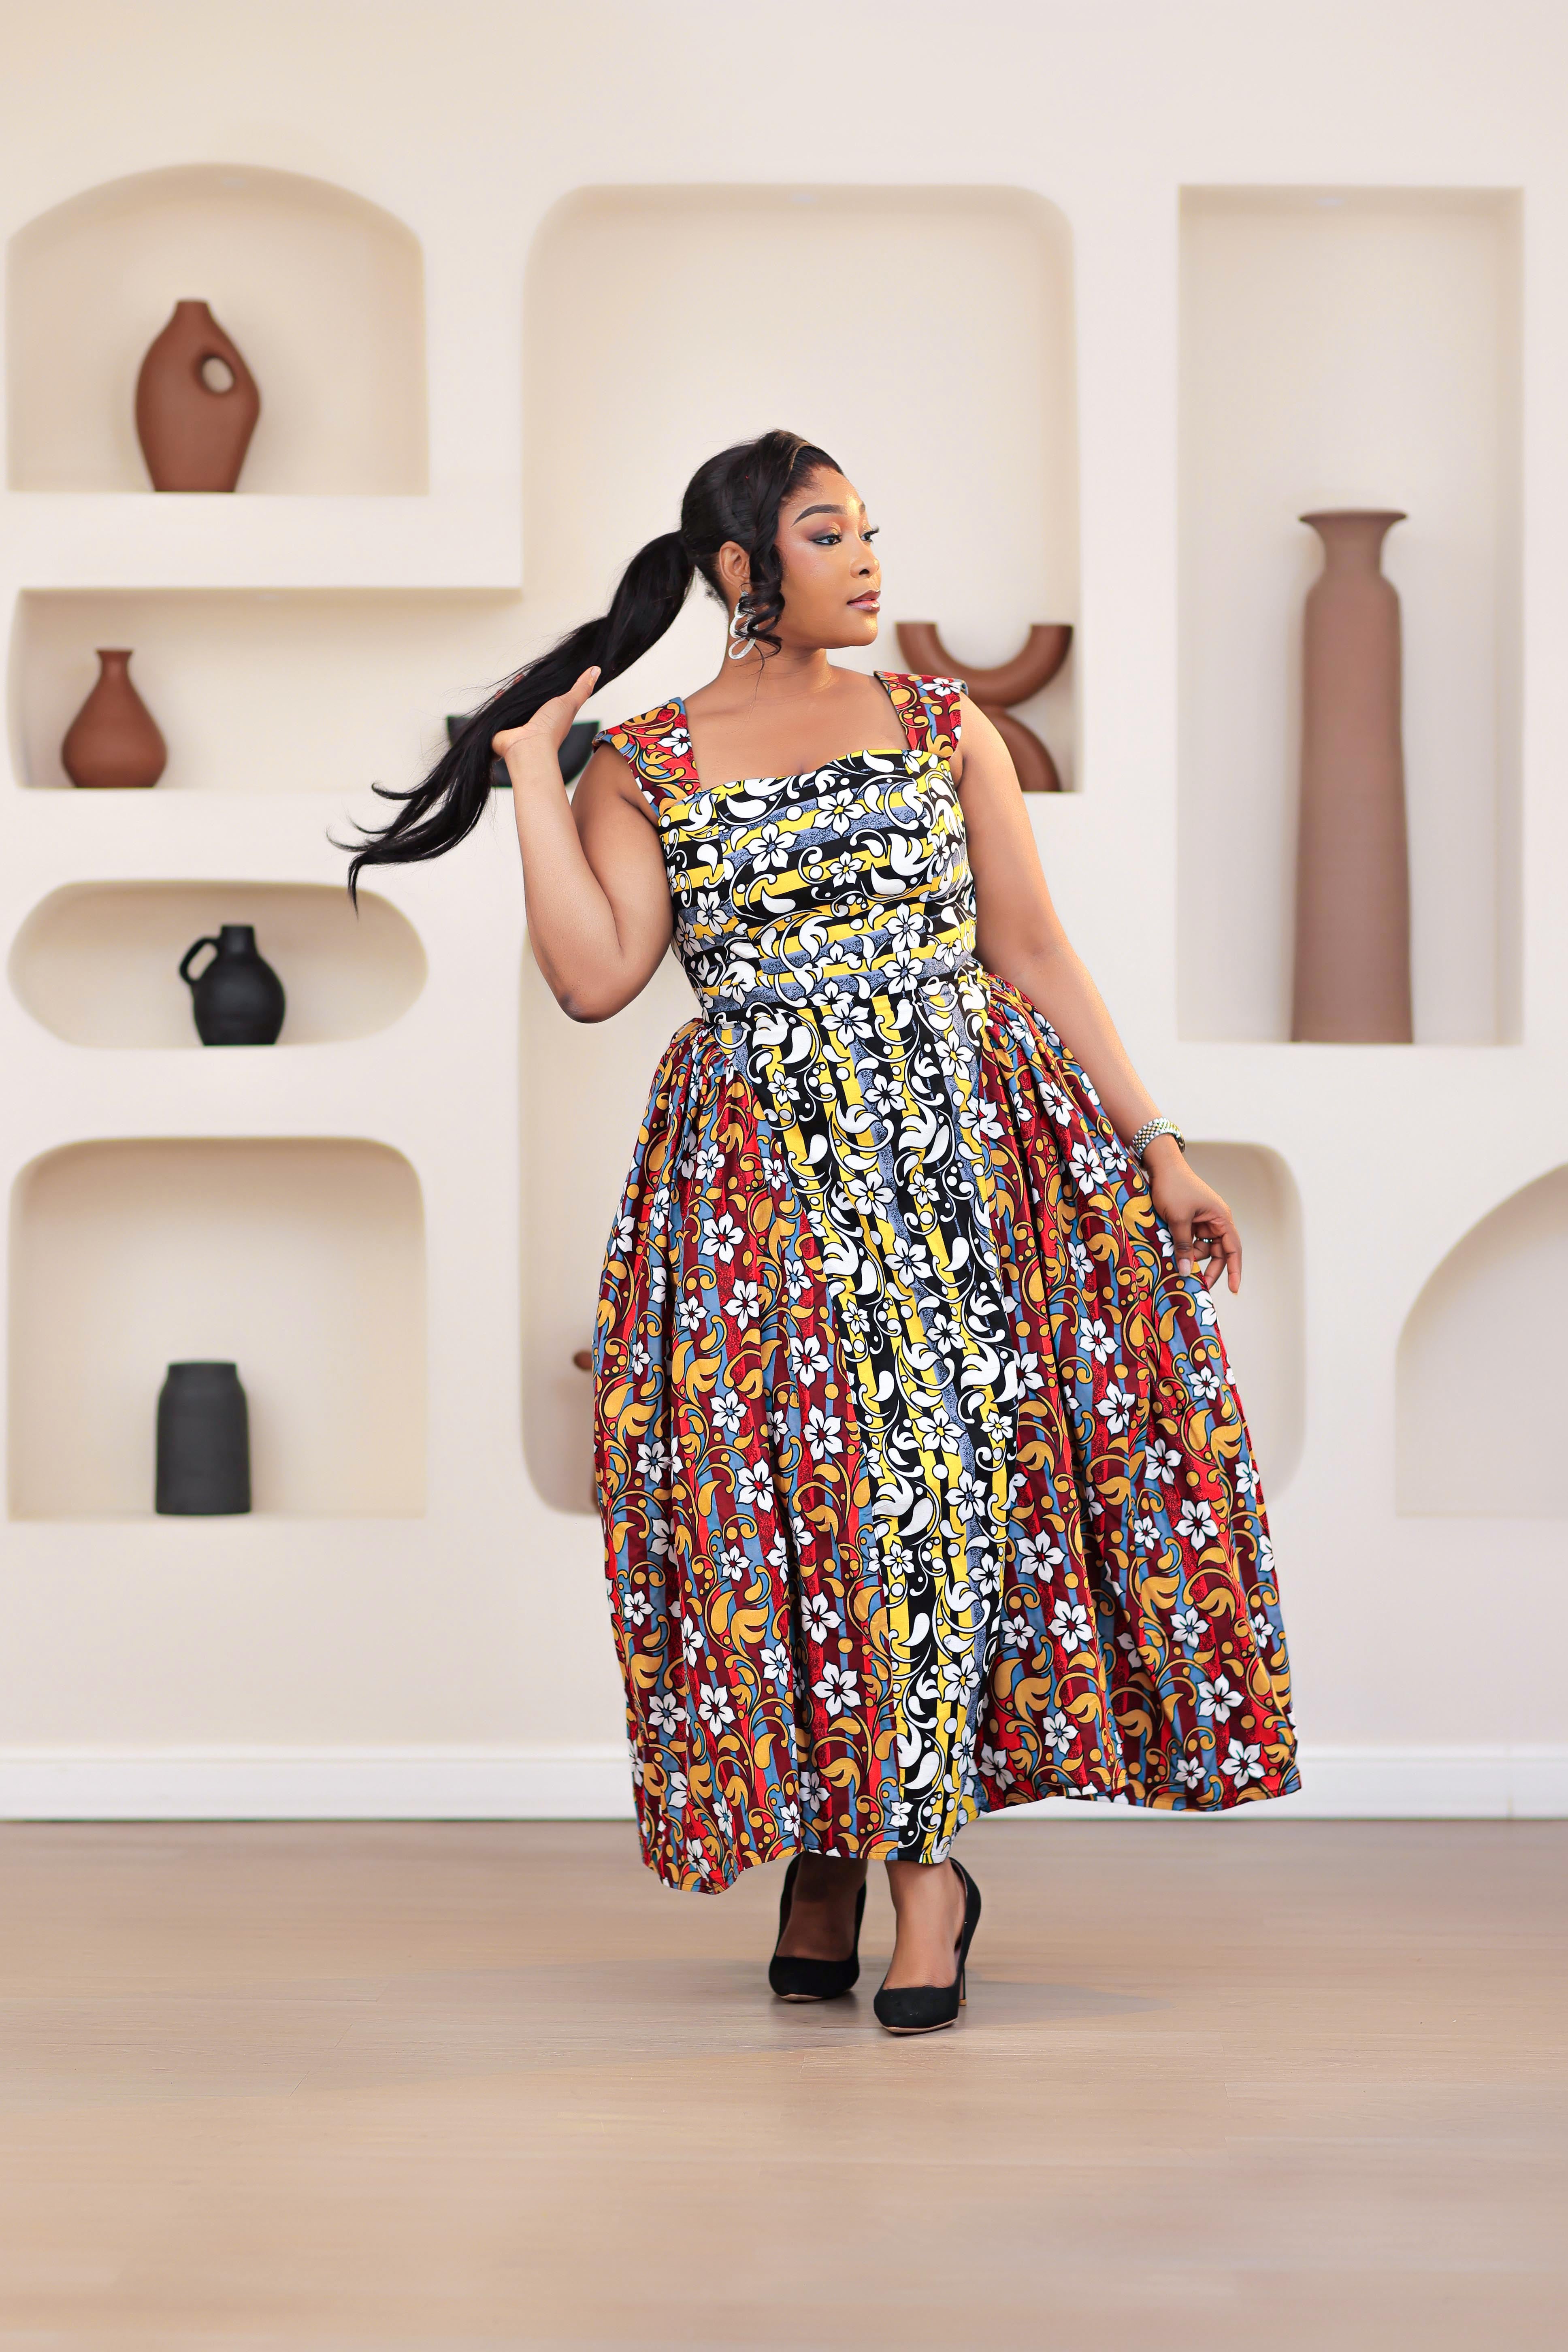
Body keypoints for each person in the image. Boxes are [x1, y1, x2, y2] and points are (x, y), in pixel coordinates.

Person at [347, 428, 1299, 2035]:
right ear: (738, 571)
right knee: (799, 1521)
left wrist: (1158, 1151)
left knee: (936, 1499)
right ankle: (826, 1852)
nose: (864, 557)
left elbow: (1036, 953)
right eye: (822, 532)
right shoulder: (643, 757)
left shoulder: (944, 725)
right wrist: (529, 779)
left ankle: (926, 1878)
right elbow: (593, 977)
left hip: (958, 1178)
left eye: (867, 528)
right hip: (756, 1195)